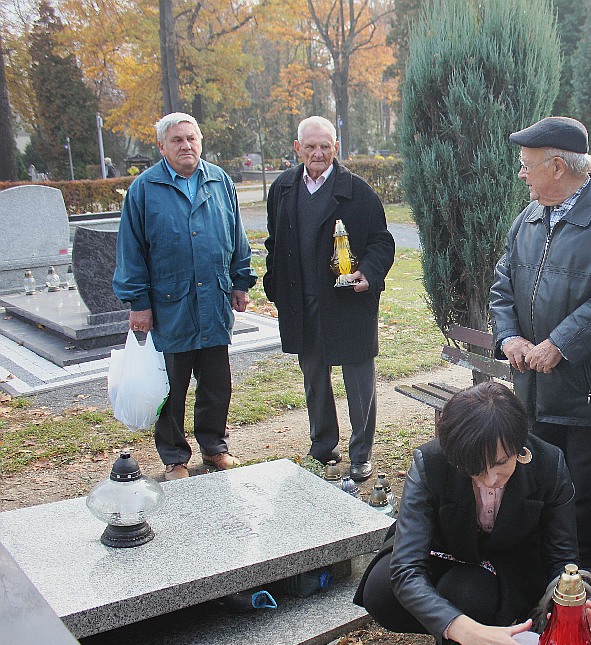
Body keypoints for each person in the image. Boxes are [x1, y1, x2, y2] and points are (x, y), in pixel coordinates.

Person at [355, 382, 591, 645]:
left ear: (519, 444)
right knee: (381, 590)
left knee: (468, 592)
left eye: (501, 464)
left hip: (509, 562)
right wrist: (466, 630)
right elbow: (406, 568)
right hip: (444, 550)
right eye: (475, 469)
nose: (490, 479)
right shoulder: (431, 463)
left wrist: (569, 605)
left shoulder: (549, 464)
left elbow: (562, 557)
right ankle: (463, 634)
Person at [489, 116, 591, 570]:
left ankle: (581, 576)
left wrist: (559, 343)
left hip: (589, 388)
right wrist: (509, 337)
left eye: (527, 164)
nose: (521, 173)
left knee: (585, 491)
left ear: (557, 166)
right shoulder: (529, 217)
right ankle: (541, 566)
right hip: (534, 386)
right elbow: (503, 283)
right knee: (536, 478)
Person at [113, 112, 256, 480]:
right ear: (162, 146)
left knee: (216, 383)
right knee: (172, 388)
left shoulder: (219, 181)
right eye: (177, 140)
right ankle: (175, 457)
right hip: (169, 305)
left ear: (200, 142)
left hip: (213, 301)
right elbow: (131, 249)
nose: (186, 145)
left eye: (191, 138)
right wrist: (138, 303)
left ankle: (214, 447)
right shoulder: (145, 189)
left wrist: (240, 281)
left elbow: (236, 236)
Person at [264, 116, 395, 481]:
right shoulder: (283, 188)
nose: (318, 153)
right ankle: (323, 447)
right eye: (310, 147)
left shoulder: (358, 191)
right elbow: (274, 243)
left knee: (359, 383)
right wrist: (274, 283)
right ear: (298, 148)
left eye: (325, 146)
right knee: (315, 379)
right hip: (301, 301)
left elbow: (382, 242)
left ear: (336, 148)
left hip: (347, 303)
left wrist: (368, 273)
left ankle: (361, 454)